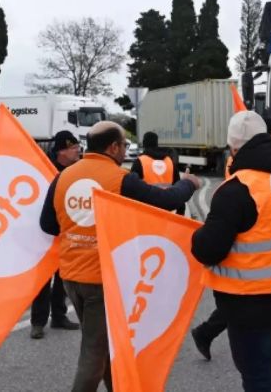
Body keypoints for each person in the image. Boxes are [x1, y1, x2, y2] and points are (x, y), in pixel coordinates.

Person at [39, 121, 200, 392]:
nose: (126, 150)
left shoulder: (63, 177)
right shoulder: (119, 178)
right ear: (113, 147)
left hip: (71, 277)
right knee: (94, 354)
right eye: (125, 144)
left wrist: (79, 229)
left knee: (104, 345)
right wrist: (188, 184)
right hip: (101, 279)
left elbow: (48, 225)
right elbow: (165, 201)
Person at [191, 111, 271, 392]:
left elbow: (208, 249)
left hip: (248, 301)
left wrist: (197, 233)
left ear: (233, 148)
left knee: (256, 375)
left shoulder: (237, 190)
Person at [30, 131, 82, 340]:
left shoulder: (78, 170)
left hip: (67, 231)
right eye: (72, 147)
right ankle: (37, 322)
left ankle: (59, 316)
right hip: (46, 231)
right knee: (43, 279)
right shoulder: (46, 170)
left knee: (63, 278)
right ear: (61, 151)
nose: (77, 150)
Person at [130, 131, 184, 215]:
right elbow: (179, 189)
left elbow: (132, 189)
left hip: (146, 212)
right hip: (168, 211)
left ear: (144, 143)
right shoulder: (169, 162)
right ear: (156, 143)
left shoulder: (140, 162)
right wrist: (181, 213)